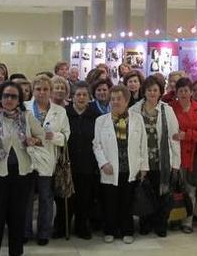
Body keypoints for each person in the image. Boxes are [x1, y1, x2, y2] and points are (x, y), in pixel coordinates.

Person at [0, 81, 45, 256]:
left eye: (13, 96)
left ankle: (16, 252)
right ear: (0, 98)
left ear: (19, 99)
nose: (9, 99)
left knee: (17, 219)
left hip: (21, 175)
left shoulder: (26, 117)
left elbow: (41, 135)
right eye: (6, 95)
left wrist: (34, 140)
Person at [92, 85, 148, 244]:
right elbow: (97, 145)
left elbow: (143, 144)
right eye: (113, 99)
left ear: (127, 101)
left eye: (119, 99)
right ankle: (110, 230)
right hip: (110, 168)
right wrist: (103, 163)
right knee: (110, 202)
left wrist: (144, 167)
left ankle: (127, 231)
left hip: (130, 168)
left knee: (127, 202)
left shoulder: (137, 119)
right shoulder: (101, 121)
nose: (115, 102)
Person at [129, 76, 181, 237]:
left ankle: (160, 225)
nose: (152, 93)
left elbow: (174, 137)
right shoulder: (134, 110)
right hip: (142, 161)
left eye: (155, 90)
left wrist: (176, 163)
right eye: (149, 90)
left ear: (160, 92)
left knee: (163, 195)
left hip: (162, 161)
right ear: (144, 91)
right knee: (145, 194)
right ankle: (146, 223)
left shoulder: (167, 110)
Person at [24, 75, 70, 246]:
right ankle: (25, 231)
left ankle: (44, 232)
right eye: (38, 89)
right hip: (27, 158)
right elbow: (18, 130)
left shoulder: (60, 111)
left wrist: (54, 136)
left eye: (45, 89)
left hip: (48, 159)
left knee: (46, 197)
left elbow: (66, 136)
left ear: (50, 91)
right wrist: (26, 138)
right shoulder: (24, 108)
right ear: (32, 90)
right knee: (26, 199)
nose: (42, 92)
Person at [169, 77, 197, 233]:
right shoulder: (170, 107)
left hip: (192, 156)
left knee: (190, 191)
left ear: (191, 92)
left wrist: (187, 135)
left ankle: (187, 221)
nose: (184, 93)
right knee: (173, 189)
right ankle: (173, 218)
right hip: (174, 154)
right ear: (176, 93)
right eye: (181, 91)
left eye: (186, 90)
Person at [62, 82, 99, 239]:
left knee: (85, 197)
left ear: (89, 98)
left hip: (88, 163)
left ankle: (82, 226)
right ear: (72, 97)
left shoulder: (95, 116)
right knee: (67, 197)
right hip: (68, 163)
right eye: (78, 94)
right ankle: (63, 227)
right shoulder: (65, 114)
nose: (81, 97)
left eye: (84, 95)